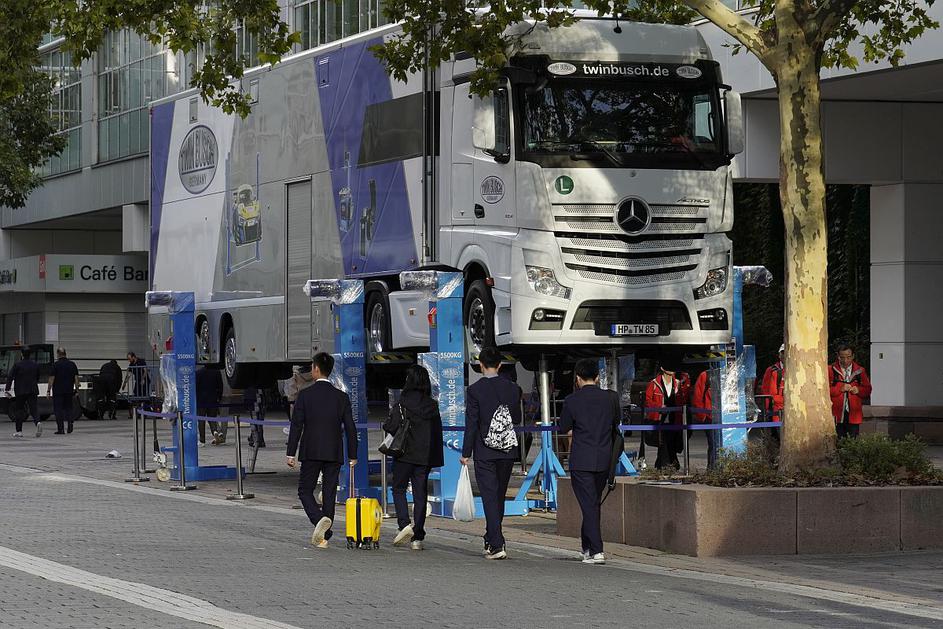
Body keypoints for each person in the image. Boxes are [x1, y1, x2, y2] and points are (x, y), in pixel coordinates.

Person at [286, 352, 358, 548]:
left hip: (311, 450)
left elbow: (296, 425)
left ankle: (319, 521)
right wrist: (353, 454)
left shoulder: (305, 395)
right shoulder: (341, 397)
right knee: (329, 493)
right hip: (334, 451)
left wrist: (291, 453)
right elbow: (350, 427)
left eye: (312, 367)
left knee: (305, 490)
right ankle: (324, 535)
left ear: (316, 369)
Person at [460, 346, 522, 560]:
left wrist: (466, 452)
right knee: (498, 496)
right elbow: (516, 418)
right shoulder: (513, 389)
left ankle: (497, 544)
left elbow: (472, 423)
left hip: (484, 450)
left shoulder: (475, 390)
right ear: (500, 365)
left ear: (480, 365)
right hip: (507, 450)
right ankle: (491, 536)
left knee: (489, 496)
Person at [558, 358, 620, 565]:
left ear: (577, 378)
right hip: (604, 458)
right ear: (597, 377)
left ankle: (597, 550)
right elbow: (616, 423)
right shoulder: (610, 398)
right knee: (592, 503)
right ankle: (586, 548)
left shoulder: (572, 400)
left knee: (589, 505)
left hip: (581, 458)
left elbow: (564, 427)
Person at [384, 365, 443, 551]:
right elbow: (437, 434)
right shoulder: (432, 405)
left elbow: (391, 426)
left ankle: (404, 525)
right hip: (424, 456)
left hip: (404, 454)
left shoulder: (402, 402)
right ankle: (417, 536)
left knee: (398, 489)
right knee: (420, 495)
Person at [644, 358, 689, 469]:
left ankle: (665, 464)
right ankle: (666, 465)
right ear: (663, 369)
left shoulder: (678, 383)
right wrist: (659, 407)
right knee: (662, 441)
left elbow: (682, 400)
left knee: (672, 440)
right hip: (659, 418)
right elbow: (648, 401)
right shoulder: (654, 383)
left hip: (674, 417)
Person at [830, 344, 872, 439]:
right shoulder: (830, 370)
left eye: (848, 357)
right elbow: (824, 392)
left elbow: (868, 390)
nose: (845, 360)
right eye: (842, 357)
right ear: (838, 356)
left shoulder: (860, 371)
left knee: (852, 442)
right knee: (837, 441)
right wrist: (840, 389)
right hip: (836, 414)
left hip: (854, 415)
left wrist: (858, 390)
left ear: (853, 356)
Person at [5, 349, 42, 438]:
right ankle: (38, 422)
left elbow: (10, 376)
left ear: (22, 354)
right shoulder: (35, 364)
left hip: (20, 390)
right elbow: (38, 376)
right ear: (30, 355)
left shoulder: (17, 365)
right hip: (32, 389)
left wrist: (7, 389)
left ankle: (19, 431)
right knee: (34, 409)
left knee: (19, 410)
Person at [48, 347, 79, 435]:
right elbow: (76, 379)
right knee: (69, 408)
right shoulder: (72, 364)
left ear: (58, 354)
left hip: (58, 391)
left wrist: (48, 390)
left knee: (58, 410)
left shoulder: (55, 365)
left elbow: (51, 379)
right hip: (69, 390)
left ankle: (61, 429)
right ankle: (70, 423)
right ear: (65, 354)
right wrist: (77, 390)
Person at [692, 370, 718, 469]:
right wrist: (703, 416)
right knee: (713, 444)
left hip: (726, 416)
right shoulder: (706, 375)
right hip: (710, 417)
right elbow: (697, 397)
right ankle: (712, 468)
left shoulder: (732, 374)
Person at [196, 365, 225, 446]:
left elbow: (196, 387)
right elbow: (220, 386)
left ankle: (202, 440)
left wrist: (196, 398)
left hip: (201, 400)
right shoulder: (217, 372)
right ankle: (215, 431)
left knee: (201, 420)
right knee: (212, 418)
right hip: (213, 399)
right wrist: (219, 397)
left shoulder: (198, 373)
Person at [761, 345, 786, 422]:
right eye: (783, 352)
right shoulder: (771, 370)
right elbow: (765, 389)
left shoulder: (798, 369)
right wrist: (766, 409)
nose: (785, 355)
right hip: (777, 409)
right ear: (779, 355)